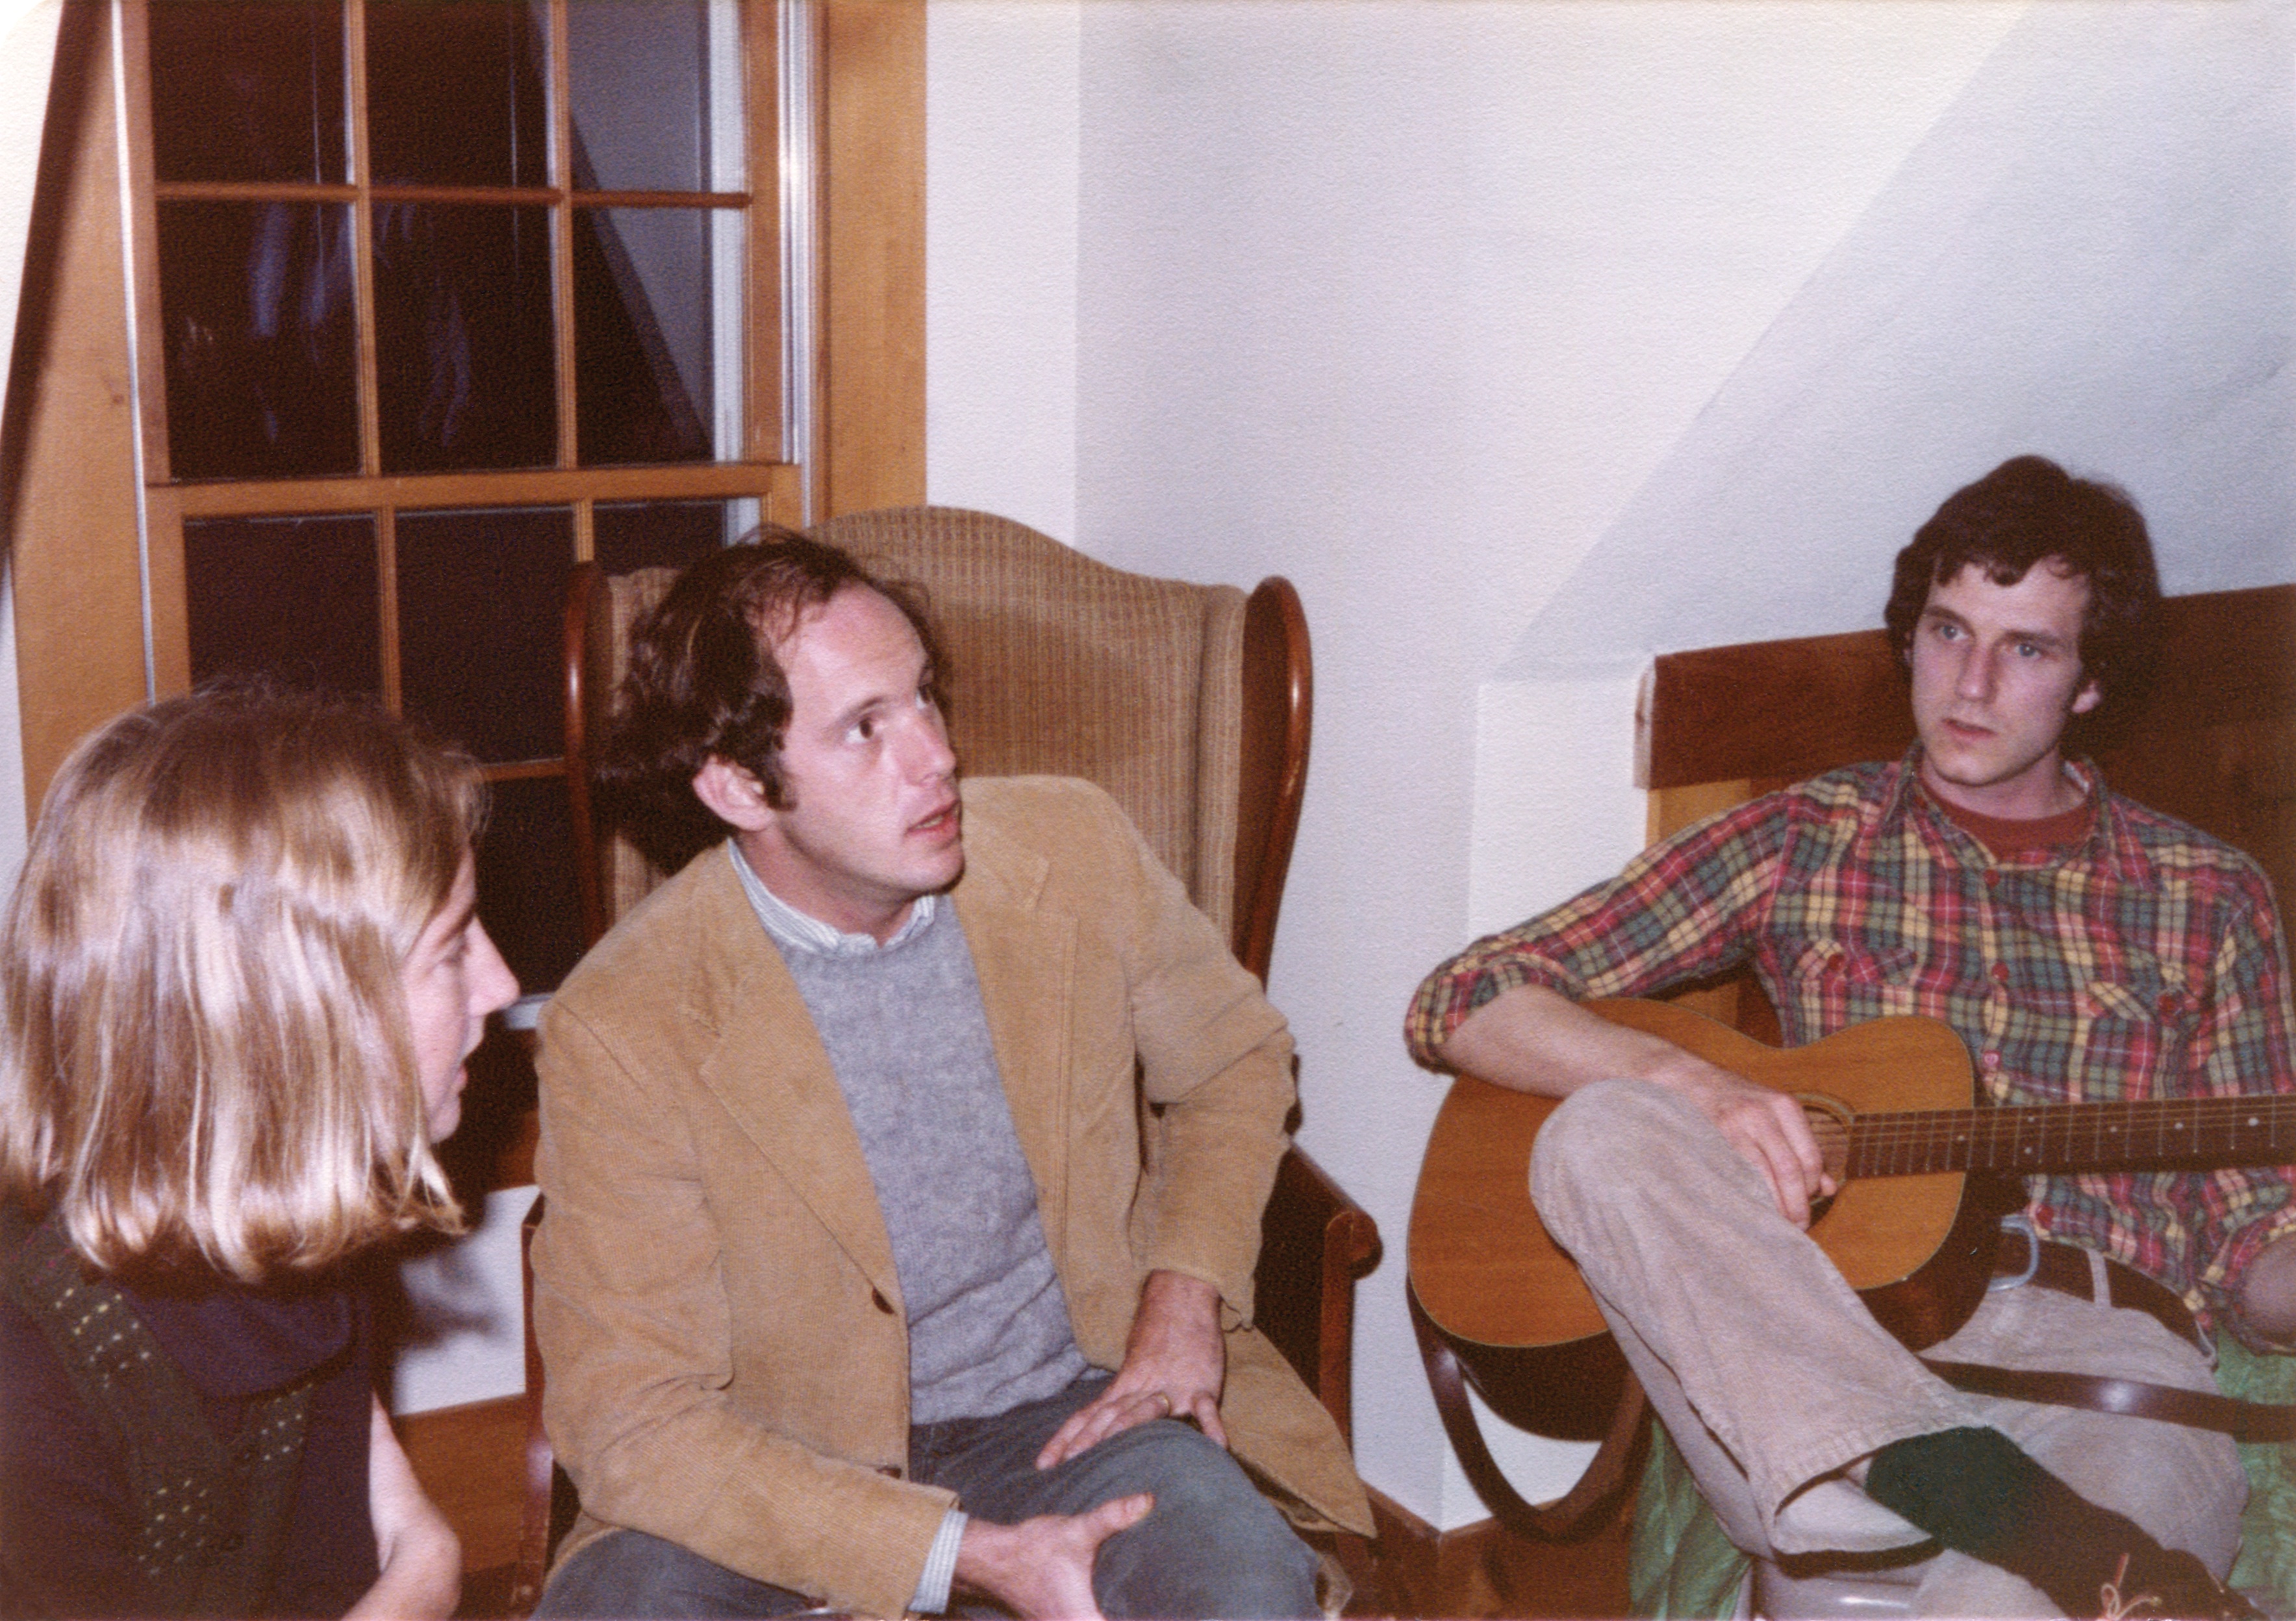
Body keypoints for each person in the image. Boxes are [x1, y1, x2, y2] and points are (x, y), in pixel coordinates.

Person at [1406, 455, 2296, 1618]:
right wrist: (1695, 1086)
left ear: (2090, 684)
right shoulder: (1806, 838)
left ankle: (1968, 1508)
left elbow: (2256, 1248)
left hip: (2105, 1378)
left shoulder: (2209, 894)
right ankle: (1907, 1473)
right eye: (1948, 631)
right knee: (1602, 1129)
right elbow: (1464, 997)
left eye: (2027, 649)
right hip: (1817, 1342)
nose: (1971, 682)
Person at [527, 531, 1370, 1620]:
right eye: (865, 729)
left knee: (1242, 1588)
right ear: (738, 787)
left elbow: (1234, 1061)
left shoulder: (1073, 848)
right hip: (779, 1470)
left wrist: (1183, 1295)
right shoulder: (624, 1022)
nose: (937, 756)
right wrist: (960, 1554)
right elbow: (634, 1421)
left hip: (1074, 1414)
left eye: (924, 696)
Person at [0, 685, 521, 1618]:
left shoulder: (284, 1225)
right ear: (294, 1018)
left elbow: (341, 1559)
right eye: (452, 950)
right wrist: (424, 1582)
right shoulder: (32, 1383)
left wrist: (422, 1551)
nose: (503, 983)